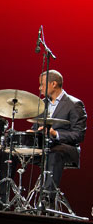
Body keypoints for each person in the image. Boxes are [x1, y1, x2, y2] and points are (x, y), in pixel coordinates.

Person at [29, 70, 87, 206]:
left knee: (53, 153)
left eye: (42, 85)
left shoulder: (74, 104)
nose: (39, 88)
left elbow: (78, 135)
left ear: (53, 84)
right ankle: (1, 195)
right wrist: (32, 132)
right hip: (44, 146)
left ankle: (47, 200)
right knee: (12, 149)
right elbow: (35, 128)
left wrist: (55, 134)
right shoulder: (41, 104)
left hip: (65, 148)